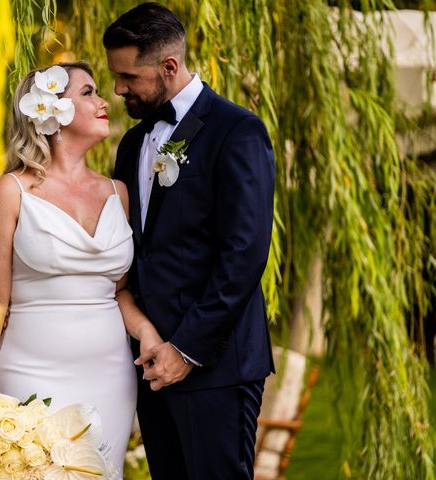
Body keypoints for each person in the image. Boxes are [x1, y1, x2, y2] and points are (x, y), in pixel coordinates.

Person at [104, 3, 276, 479]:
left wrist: (186, 349)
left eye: (127, 76)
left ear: (169, 67)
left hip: (215, 366)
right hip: (150, 363)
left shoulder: (237, 131)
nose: (118, 88)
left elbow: (243, 254)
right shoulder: (132, 144)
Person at [0, 62, 160, 476]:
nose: (105, 100)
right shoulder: (10, 191)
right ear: (50, 111)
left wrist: (145, 331)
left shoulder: (117, 192)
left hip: (110, 376)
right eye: (88, 92)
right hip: (31, 375)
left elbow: (119, 290)